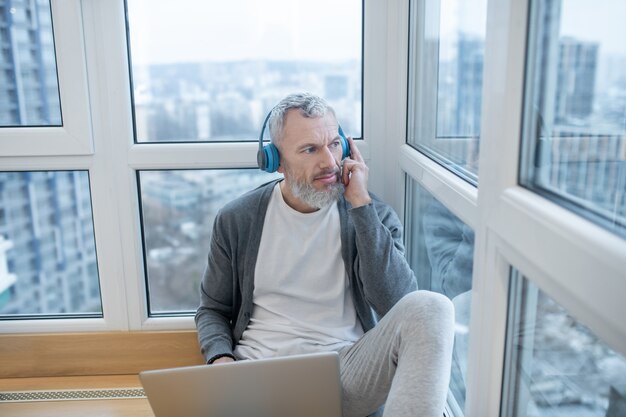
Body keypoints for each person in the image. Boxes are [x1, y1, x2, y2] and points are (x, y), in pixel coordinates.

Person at [195, 92, 455, 417]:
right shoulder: (237, 219)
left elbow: (396, 303)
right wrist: (221, 361)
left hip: (345, 373)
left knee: (433, 307)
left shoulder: (372, 216)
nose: (330, 163)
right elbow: (213, 310)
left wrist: (360, 205)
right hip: (259, 374)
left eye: (334, 144)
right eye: (310, 149)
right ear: (275, 161)